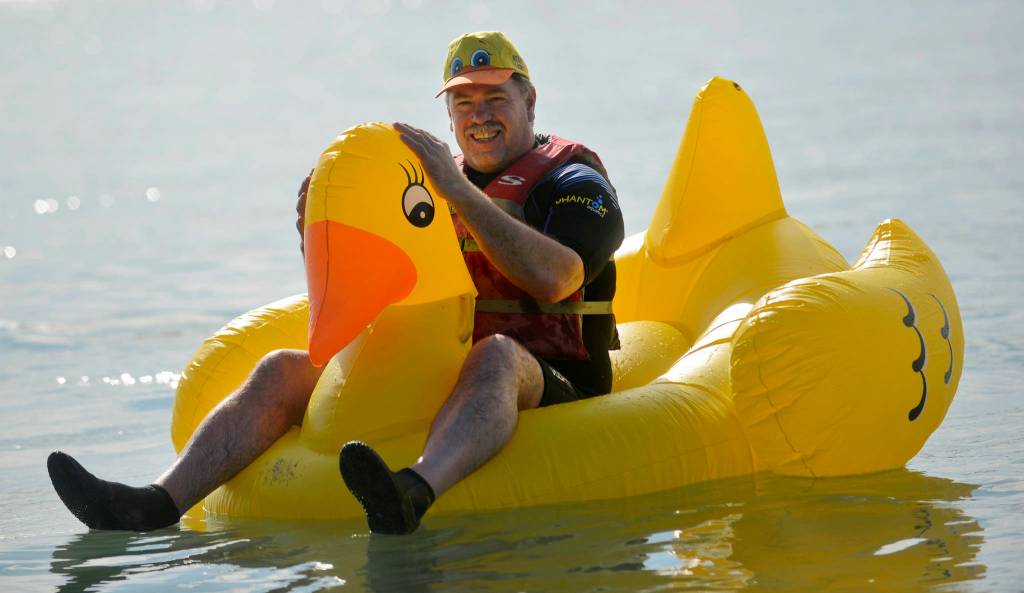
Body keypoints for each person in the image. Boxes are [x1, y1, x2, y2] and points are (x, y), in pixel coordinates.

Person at [47, 30, 624, 535]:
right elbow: (376, 295)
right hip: (442, 366)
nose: (480, 115)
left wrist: (459, 193)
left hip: (549, 376)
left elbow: (556, 278)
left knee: (497, 354)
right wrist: (316, 233)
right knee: (281, 369)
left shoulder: (571, 180)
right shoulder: (424, 184)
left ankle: (413, 492)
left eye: (496, 97)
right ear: (449, 115)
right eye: (464, 102)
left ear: (529, 99)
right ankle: (152, 504)